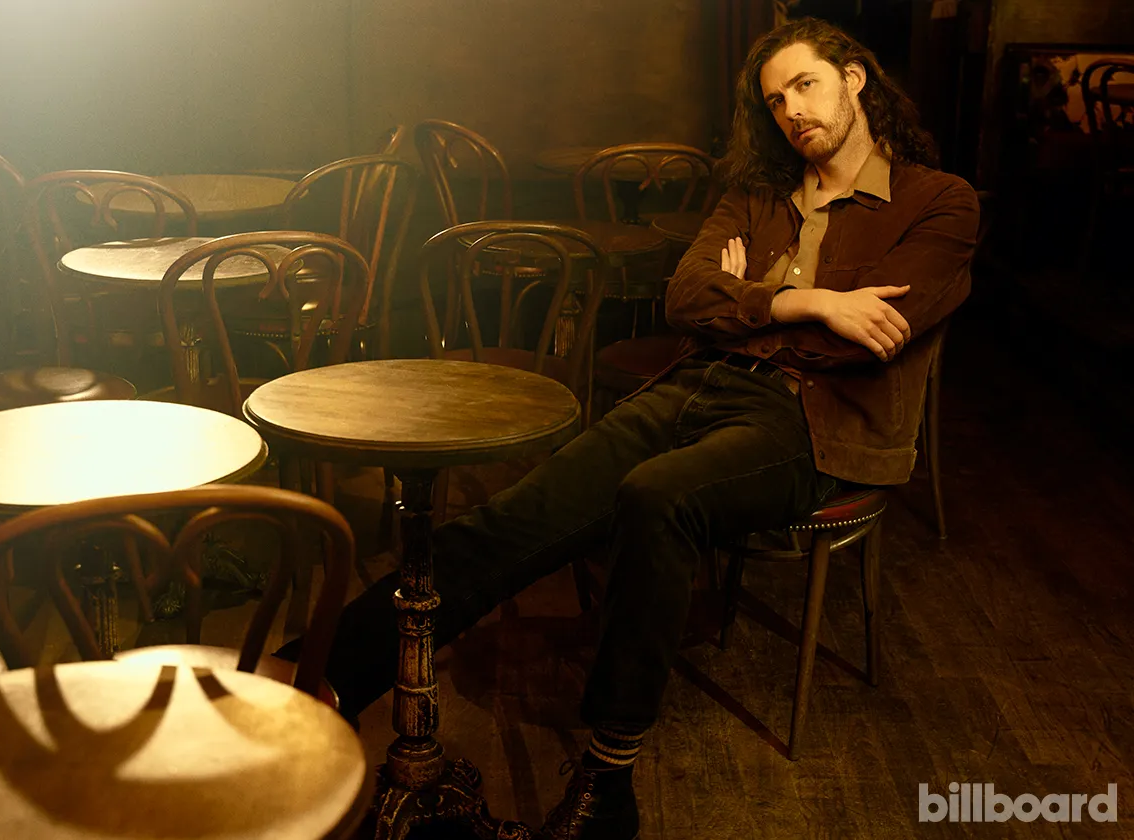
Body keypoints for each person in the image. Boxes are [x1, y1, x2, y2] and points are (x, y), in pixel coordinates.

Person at [277, 16, 979, 840]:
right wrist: (810, 301)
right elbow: (685, 297)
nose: (792, 110)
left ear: (855, 79)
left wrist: (747, 302)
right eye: (776, 99)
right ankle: (312, 678)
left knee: (657, 496)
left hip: (813, 421)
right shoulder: (758, 194)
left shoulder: (940, 202)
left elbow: (862, 346)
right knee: (522, 511)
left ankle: (607, 780)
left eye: (806, 85)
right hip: (698, 384)